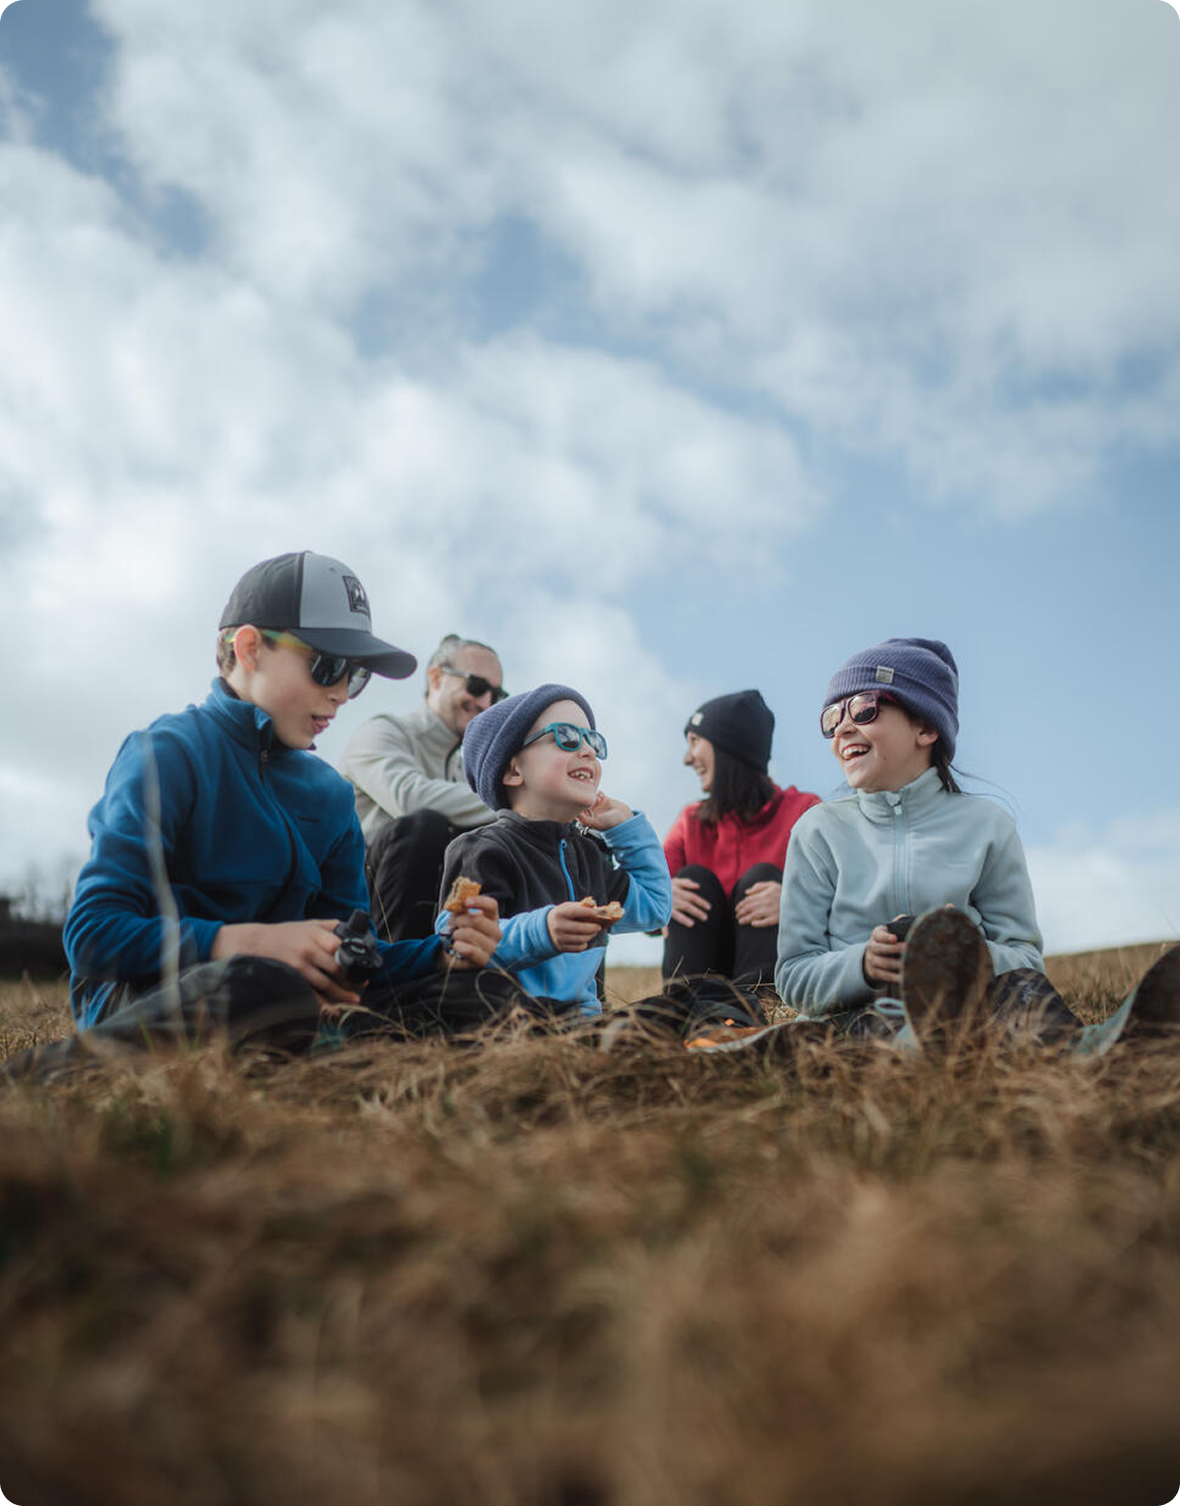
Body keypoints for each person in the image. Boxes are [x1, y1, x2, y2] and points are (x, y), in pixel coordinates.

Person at [8, 552, 523, 1082]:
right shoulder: (166, 754)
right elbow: (94, 936)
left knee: (483, 990)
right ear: (249, 647)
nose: (343, 692)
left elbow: (355, 953)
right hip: (161, 998)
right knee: (262, 988)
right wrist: (246, 942)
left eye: (358, 676)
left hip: (287, 1004)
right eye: (328, 666)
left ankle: (330, 1049)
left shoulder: (330, 795)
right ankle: (39, 1076)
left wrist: (441, 954)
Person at [772, 637, 1180, 1055]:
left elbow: (1024, 958)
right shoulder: (817, 831)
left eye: (863, 709)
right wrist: (863, 965)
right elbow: (793, 974)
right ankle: (922, 1048)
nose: (842, 727)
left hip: (970, 1002)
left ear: (926, 728)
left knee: (1023, 992)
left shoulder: (987, 826)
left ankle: (1098, 1047)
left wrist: (966, 952)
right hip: (861, 1012)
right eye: (832, 716)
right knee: (847, 1032)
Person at [437, 684, 673, 1017]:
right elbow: (457, 941)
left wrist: (626, 827)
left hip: (583, 1022)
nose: (588, 750)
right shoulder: (483, 850)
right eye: (567, 737)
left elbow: (655, 907)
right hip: (505, 1020)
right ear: (513, 770)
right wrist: (543, 931)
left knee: (689, 1004)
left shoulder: (589, 857)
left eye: (593, 740)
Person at [340, 633, 505, 943]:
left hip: (430, 899)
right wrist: (518, 799)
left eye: (496, 695)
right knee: (426, 825)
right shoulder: (383, 732)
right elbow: (411, 799)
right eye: (476, 686)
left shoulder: (465, 773)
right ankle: (395, 978)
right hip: (353, 902)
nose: (485, 703)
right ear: (436, 677)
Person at [662, 690, 819, 990]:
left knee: (763, 879)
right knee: (690, 879)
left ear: (728, 747)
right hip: (702, 970)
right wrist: (661, 897)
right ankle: (682, 1012)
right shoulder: (690, 821)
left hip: (775, 970)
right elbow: (638, 894)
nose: (687, 758)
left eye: (695, 742)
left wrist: (797, 902)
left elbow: (845, 895)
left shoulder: (806, 814)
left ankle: (757, 1011)